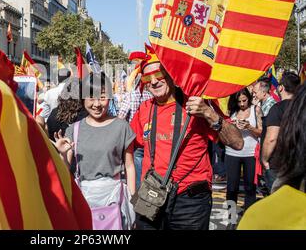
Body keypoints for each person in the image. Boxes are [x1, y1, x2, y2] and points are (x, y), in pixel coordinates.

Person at [130, 48, 243, 230]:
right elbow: (124, 146)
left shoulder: (197, 103)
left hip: (190, 202)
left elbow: (238, 143)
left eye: (158, 73)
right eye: (146, 77)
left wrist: (208, 113)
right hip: (151, 198)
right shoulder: (144, 109)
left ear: (171, 73)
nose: (153, 81)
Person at [54, 72, 136, 229]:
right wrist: (62, 155)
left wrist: (132, 199)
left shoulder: (122, 127)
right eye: (91, 98)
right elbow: (65, 171)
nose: (97, 104)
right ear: (83, 99)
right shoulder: (74, 129)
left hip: (114, 198)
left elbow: (130, 165)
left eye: (103, 97)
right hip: (84, 198)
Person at [238, 83, 306, 230]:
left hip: (273, 162)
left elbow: (271, 137)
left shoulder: (260, 217)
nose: (253, 95)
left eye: (254, 92)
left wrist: (264, 159)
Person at [261, 71, 300, 192]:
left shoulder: (277, 109)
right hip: (299, 163)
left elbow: (272, 138)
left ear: (281, 87)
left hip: (279, 166)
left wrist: (264, 160)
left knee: (277, 204)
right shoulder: (301, 108)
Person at [225, 88, 263, 211]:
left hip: (250, 153)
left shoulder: (255, 110)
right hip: (232, 153)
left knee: (250, 187)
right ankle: (231, 217)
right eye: (239, 101)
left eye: (244, 100)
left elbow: (261, 132)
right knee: (231, 188)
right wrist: (232, 126)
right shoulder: (231, 111)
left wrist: (249, 127)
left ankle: (248, 216)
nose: (242, 104)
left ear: (249, 98)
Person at [118, 86, 154, 189]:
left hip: (135, 139)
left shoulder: (130, 96)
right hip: (149, 138)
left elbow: (121, 117)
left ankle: (139, 193)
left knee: (136, 170)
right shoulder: (150, 96)